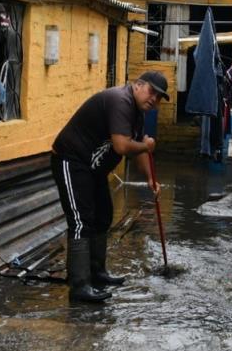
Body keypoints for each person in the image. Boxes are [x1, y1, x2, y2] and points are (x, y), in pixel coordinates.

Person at [51, 71, 168, 303]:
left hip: (93, 169)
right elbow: (123, 146)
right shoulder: (120, 100)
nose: (154, 99)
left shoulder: (138, 113)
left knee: (103, 216)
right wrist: (146, 147)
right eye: (151, 92)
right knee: (80, 221)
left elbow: (138, 145)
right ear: (137, 85)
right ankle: (80, 286)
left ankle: (97, 273)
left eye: (159, 97)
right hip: (71, 160)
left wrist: (150, 180)